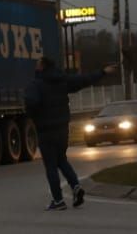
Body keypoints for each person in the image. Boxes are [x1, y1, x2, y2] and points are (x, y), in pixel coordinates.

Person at [25, 56, 118, 210]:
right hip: (62, 129)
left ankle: (58, 200)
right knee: (61, 159)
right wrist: (102, 72)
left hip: (45, 131)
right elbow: (83, 80)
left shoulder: (36, 85)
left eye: (37, 64)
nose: (35, 67)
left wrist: (33, 114)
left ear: (42, 67)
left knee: (51, 166)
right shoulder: (62, 81)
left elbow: (31, 103)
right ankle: (75, 186)